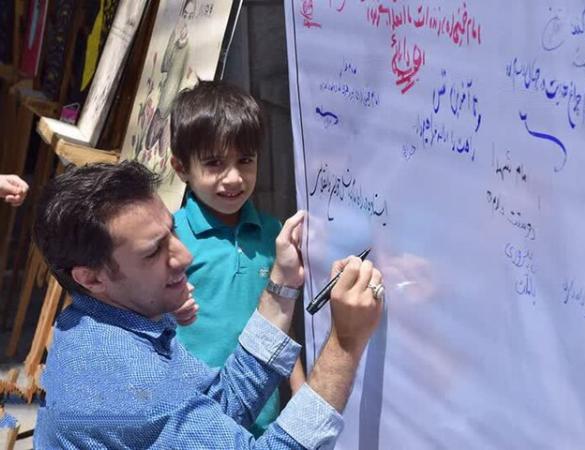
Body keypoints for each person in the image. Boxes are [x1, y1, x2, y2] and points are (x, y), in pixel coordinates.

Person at [32, 161, 385, 449]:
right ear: (91, 278)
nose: (184, 256)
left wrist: (282, 284)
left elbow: (224, 402)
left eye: (172, 232)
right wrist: (345, 343)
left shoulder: (108, 323)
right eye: (153, 252)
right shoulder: (128, 381)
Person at [169, 80, 305, 435]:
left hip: (261, 419)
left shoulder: (273, 234)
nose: (233, 178)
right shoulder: (170, 239)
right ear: (181, 168)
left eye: (245, 160)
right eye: (214, 163)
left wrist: (299, 388)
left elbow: (280, 319)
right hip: (192, 419)